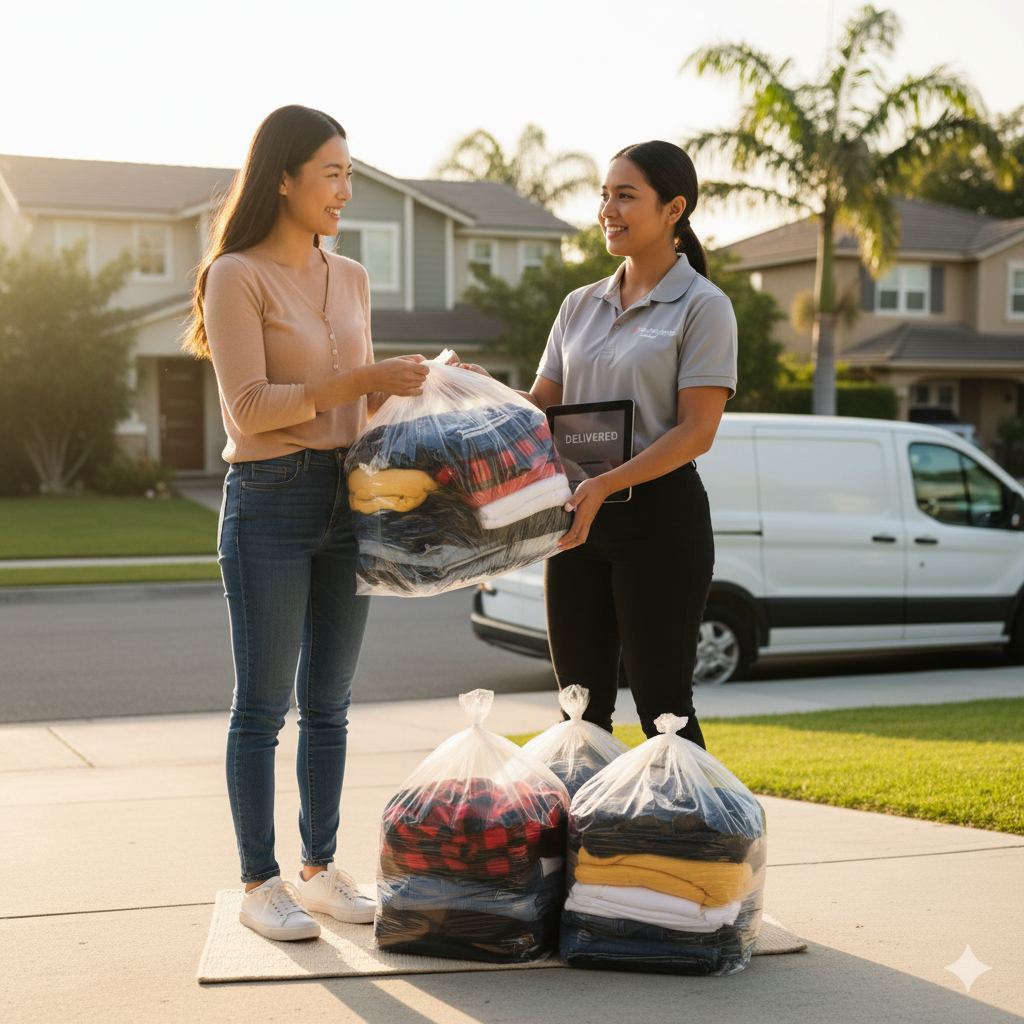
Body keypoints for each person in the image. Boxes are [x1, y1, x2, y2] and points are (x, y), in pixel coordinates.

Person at [183, 105, 430, 941]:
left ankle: (320, 870)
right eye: (331, 173)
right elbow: (249, 407)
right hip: (270, 498)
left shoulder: (351, 276)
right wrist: (359, 377)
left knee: (331, 701)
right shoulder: (234, 275)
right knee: (263, 705)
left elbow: (358, 397)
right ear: (282, 177)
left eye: (349, 174)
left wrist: (418, 384)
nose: (344, 190)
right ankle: (260, 882)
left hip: (348, 492)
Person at [458, 141, 736, 748]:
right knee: (578, 711)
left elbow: (698, 431)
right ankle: (587, 843)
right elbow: (540, 409)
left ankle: (685, 838)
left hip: (659, 523)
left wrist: (604, 484)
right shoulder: (577, 305)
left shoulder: (704, 307)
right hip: (575, 525)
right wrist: (481, 392)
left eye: (626, 195)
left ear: (674, 209)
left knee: (664, 706)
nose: (608, 208)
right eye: (604, 195)